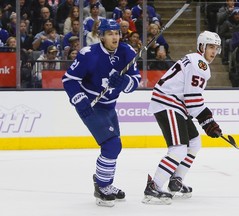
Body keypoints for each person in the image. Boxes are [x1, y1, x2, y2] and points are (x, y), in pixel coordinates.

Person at [62, 19, 141, 207]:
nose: (115, 37)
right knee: (112, 145)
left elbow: (136, 80)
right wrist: (80, 101)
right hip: (91, 106)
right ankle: (102, 186)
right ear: (101, 36)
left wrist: (123, 83)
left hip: (110, 106)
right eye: (110, 34)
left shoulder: (127, 52)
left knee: (114, 146)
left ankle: (105, 183)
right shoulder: (88, 54)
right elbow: (69, 80)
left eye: (117, 33)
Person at [142, 31, 222, 205]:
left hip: (175, 104)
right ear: (202, 46)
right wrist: (208, 121)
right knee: (178, 149)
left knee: (194, 142)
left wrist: (207, 121)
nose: (214, 51)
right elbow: (193, 101)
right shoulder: (199, 64)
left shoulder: (194, 59)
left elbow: (191, 100)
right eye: (210, 47)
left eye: (216, 48)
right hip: (168, 103)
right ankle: (153, 187)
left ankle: (176, 180)